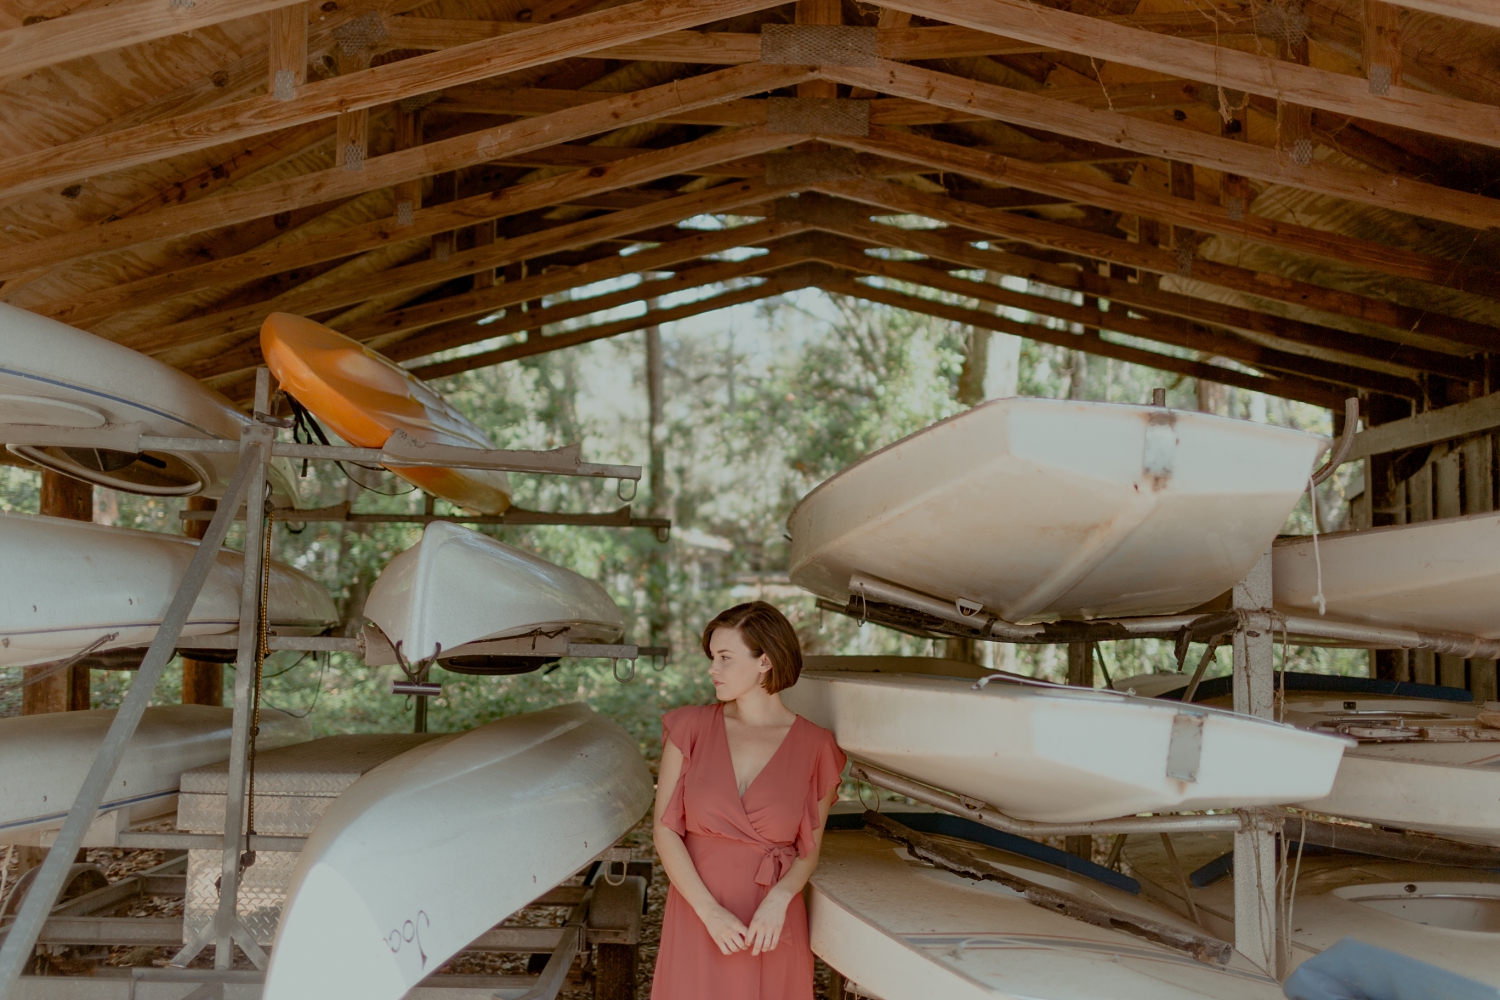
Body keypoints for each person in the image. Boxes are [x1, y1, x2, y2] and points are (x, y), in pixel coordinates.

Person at [651, 601, 846, 1000]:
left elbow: (809, 852)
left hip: (769, 921)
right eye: (712, 657)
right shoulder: (688, 727)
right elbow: (664, 830)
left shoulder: (817, 747)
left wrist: (779, 899)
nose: (712, 669)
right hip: (697, 909)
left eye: (725, 657)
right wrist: (709, 913)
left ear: (765, 662)